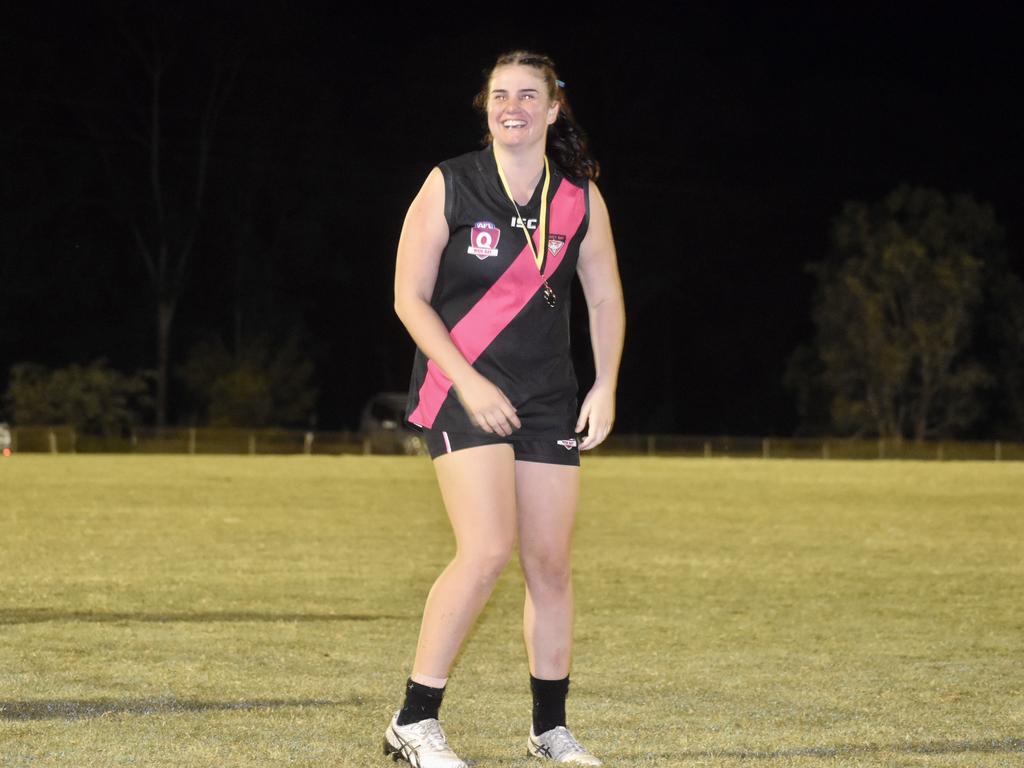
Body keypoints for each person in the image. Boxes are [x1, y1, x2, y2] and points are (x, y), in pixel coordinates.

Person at [385, 50, 625, 768]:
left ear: (554, 109)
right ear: (485, 107)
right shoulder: (450, 183)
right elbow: (407, 298)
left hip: (548, 397)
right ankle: (413, 722)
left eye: (528, 95)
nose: (511, 106)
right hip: (461, 388)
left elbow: (605, 297)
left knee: (549, 565)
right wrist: (467, 380)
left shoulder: (578, 197)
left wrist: (605, 383)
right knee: (488, 550)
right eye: (499, 95)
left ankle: (548, 730)